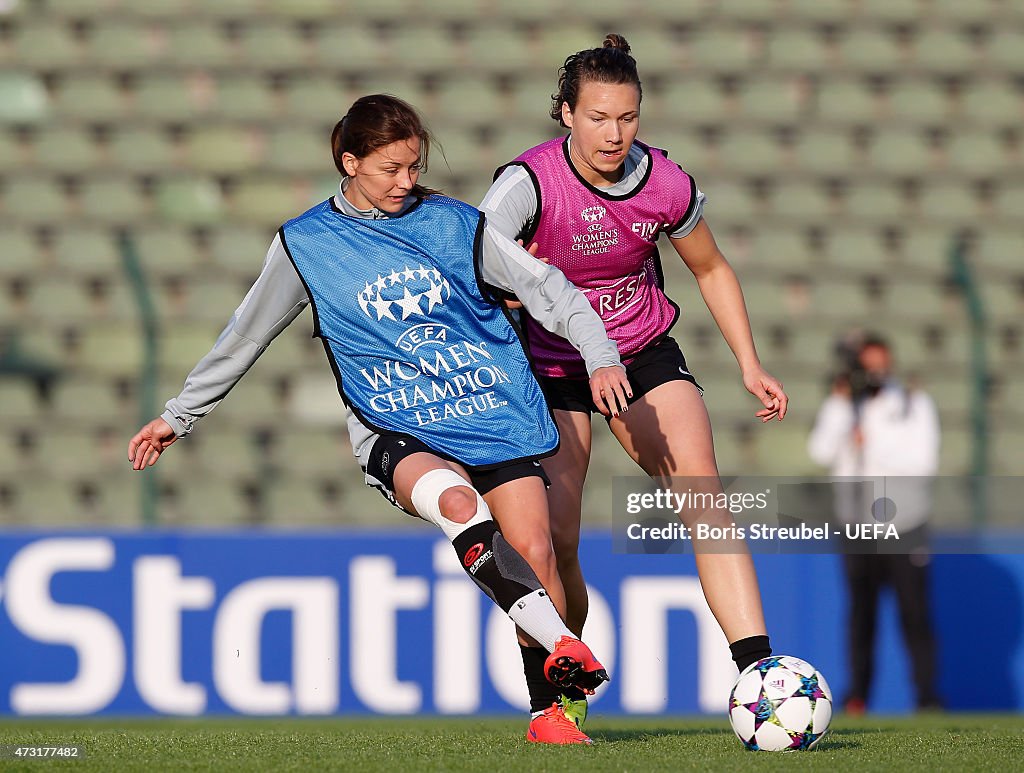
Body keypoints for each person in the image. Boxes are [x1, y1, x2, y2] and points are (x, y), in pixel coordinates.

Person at [128, 94, 633, 744]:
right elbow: (244, 337)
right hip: (397, 423)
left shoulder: (456, 224)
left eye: (414, 167)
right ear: (349, 161)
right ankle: (565, 651)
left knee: (537, 551)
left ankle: (549, 715)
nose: (406, 182)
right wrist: (180, 414)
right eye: (391, 168)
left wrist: (600, 355)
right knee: (455, 501)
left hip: (486, 405)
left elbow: (548, 288)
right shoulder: (306, 244)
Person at [480, 35, 786, 726]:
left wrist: (749, 363)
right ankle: (558, 686)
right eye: (597, 117)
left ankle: (762, 679)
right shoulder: (526, 185)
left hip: (640, 350)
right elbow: (476, 260)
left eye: (627, 117)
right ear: (565, 114)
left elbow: (711, 268)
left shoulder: (665, 182)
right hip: (545, 364)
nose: (614, 134)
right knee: (553, 539)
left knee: (703, 491)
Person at [808, 332, 942, 714]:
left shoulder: (913, 404)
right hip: (857, 526)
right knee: (860, 615)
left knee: (914, 613)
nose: (874, 374)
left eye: (879, 365)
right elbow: (819, 451)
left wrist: (873, 441)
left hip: (905, 525)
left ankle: (927, 696)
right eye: (866, 366)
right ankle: (858, 696)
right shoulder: (846, 406)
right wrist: (839, 404)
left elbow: (924, 463)